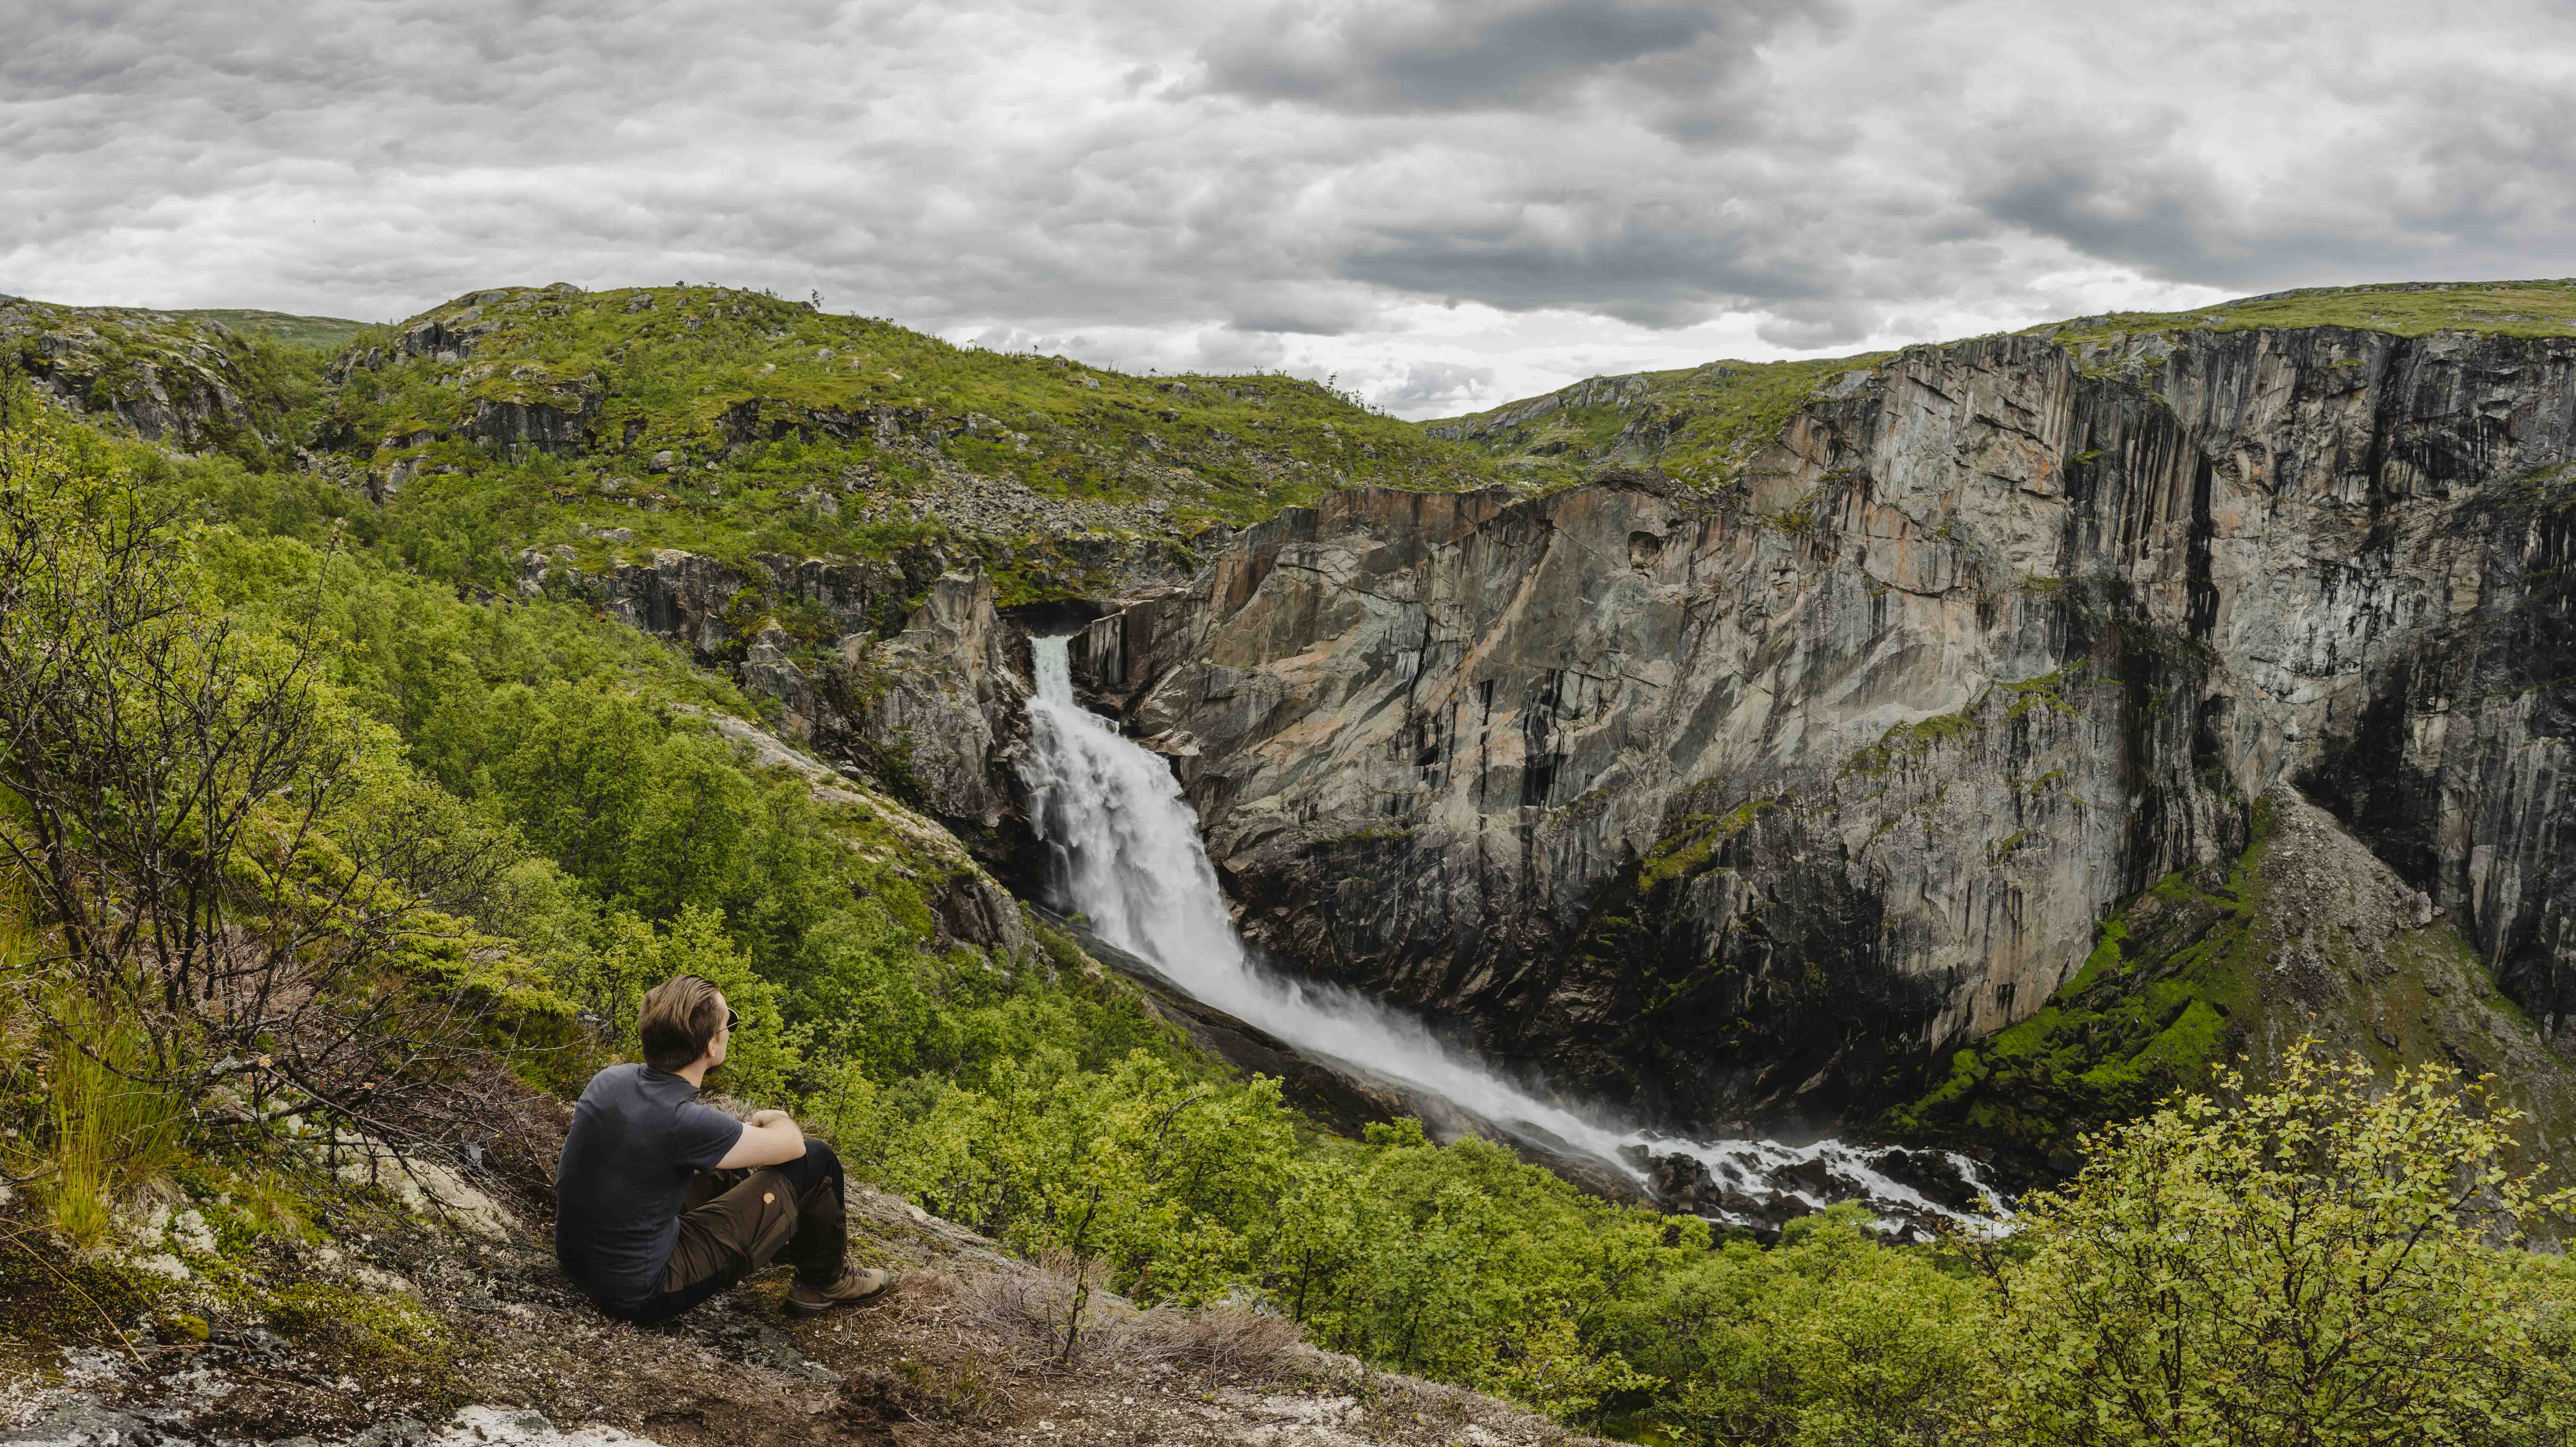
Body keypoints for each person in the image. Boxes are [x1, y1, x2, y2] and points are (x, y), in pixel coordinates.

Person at [554, 974, 890, 1322]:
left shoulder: (610, 1080)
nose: (730, 1027)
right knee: (817, 1159)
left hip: (580, 1262)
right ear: (711, 1047)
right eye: (727, 1020)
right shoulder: (682, 1120)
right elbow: (791, 1145)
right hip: (642, 1290)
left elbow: (660, 1146)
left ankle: (784, 1240)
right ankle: (825, 1282)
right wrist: (774, 1117)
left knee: (724, 1169)